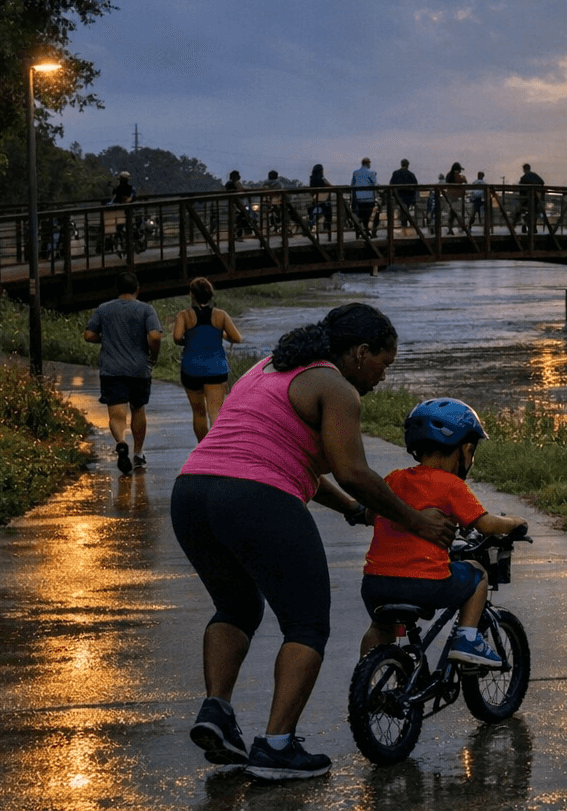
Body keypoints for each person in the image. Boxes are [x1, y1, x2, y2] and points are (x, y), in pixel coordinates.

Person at [169, 303, 456, 781]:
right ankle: (277, 747)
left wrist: (353, 511)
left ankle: (216, 711)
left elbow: (294, 464)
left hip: (192, 492)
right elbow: (354, 472)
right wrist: (416, 522)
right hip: (254, 497)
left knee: (236, 607)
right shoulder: (336, 387)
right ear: (362, 352)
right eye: (384, 365)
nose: (383, 377)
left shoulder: (266, 370)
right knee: (306, 623)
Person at [356, 398, 527, 663]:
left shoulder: (393, 478)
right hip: (424, 584)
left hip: (376, 582)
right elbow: (485, 524)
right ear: (465, 448)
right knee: (478, 574)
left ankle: (368, 678)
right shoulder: (450, 485)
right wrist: (515, 521)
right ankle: (468, 638)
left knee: (380, 629)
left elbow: (370, 514)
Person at [83, 271, 163, 475]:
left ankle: (121, 442)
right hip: (138, 369)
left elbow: (89, 334)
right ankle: (138, 453)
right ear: (138, 289)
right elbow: (155, 336)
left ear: (116, 290)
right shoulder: (146, 309)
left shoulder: (104, 309)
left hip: (112, 370)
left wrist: (107, 339)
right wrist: (153, 355)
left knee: (116, 415)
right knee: (138, 409)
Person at [172, 277, 244, 442]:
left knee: (198, 413)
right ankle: (217, 450)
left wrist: (187, 340)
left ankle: (203, 449)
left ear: (192, 295)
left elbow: (177, 337)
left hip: (191, 369)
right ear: (211, 295)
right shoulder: (221, 315)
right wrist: (220, 334)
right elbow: (237, 338)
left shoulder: (184, 315)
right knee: (216, 412)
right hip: (216, 369)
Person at [389, 158, 419, 228]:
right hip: (409, 197)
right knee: (408, 211)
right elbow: (416, 185)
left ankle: (404, 225)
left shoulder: (395, 173)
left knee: (402, 211)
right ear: (408, 165)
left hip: (399, 196)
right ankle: (412, 225)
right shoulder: (411, 174)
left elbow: (391, 184)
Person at [351, 158, 378, 232]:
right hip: (369, 199)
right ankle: (368, 231)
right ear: (368, 163)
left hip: (359, 198)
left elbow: (352, 185)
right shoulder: (371, 173)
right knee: (370, 215)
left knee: (361, 215)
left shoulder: (355, 173)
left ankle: (361, 231)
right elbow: (376, 184)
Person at [517, 163, 544, 232]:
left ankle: (526, 225)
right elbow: (542, 182)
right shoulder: (535, 176)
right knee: (534, 213)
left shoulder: (523, 178)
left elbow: (521, 189)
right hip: (536, 199)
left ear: (524, 169)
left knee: (524, 212)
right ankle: (533, 227)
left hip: (527, 199)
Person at [307, 163, 331, 233]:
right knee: (328, 212)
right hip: (323, 201)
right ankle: (327, 228)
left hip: (314, 201)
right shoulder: (322, 178)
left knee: (313, 214)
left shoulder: (311, 178)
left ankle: (311, 227)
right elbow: (329, 186)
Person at [443, 162, 467, 232]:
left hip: (449, 196)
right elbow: (465, 181)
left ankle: (450, 228)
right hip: (457, 197)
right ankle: (462, 227)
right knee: (457, 213)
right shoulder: (458, 176)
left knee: (452, 212)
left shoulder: (448, 175)